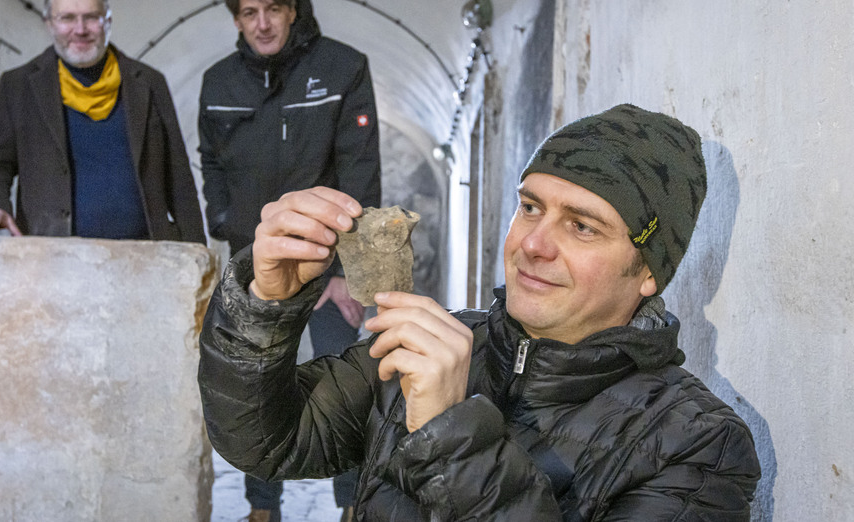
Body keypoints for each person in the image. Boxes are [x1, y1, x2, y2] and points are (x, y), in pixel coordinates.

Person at [198, 104, 761, 520]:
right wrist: (263, 305)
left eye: (582, 226)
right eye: (530, 207)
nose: (533, 244)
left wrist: (449, 434)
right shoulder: (437, 342)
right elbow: (265, 442)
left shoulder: (698, 445)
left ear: (649, 272)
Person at [197, 0, 381, 520]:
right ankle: (261, 506)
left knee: (342, 385)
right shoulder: (218, 81)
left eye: (272, 10)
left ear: (292, 10)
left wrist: (351, 272)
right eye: (249, 14)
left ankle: (350, 504)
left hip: (326, 267)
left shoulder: (342, 67)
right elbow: (211, 164)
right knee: (257, 382)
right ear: (237, 20)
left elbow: (360, 170)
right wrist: (228, 224)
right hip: (256, 265)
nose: (262, 23)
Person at [0, 0, 205, 243]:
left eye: (91, 17)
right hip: (52, 257)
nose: (80, 29)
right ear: (49, 24)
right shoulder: (19, 86)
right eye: (66, 18)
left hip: (146, 256)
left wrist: (197, 251)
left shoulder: (148, 82)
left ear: (108, 22)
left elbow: (178, 175)